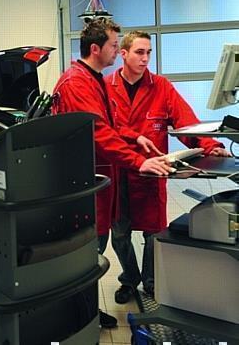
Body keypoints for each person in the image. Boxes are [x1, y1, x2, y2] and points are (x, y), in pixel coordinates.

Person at [52, 17, 174, 329]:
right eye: (114, 46)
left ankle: (87, 311)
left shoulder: (92, 79)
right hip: (84, 187)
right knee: (85, 256)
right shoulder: (77, 83)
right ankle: (80, 318)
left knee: (95, 251)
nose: (117, 51)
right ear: (96, 48)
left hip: (98, 186)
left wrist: (135, 137)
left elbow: (108, 124)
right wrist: (139, 160)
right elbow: (97, 132)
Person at [104, 31, 230, 304]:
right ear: (123, 54)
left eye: (148, 52)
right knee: (121, 233)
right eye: (139, 52)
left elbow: (186, 122)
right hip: (119, 170)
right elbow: (104, 128)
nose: (145, 58)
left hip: (153, 172)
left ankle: (151, 281)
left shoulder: (161, 86)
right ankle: (129, 279)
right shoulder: (106, 86)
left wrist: (209, 146)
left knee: (153, 232)